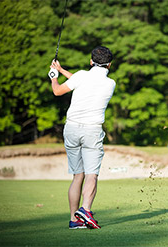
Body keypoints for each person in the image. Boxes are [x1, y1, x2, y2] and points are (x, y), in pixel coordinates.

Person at [48, 46, 116, 229]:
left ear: (91, 61)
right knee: (91, 174)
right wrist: (61, 71)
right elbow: (84, 81)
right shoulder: (111, 83)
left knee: (78, 175)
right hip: (91, 131)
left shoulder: (81, 75)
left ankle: (74, 219)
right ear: (109, 64)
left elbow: (58, 91)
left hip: (71, 129)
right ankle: (85, 209)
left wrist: (55, 77)